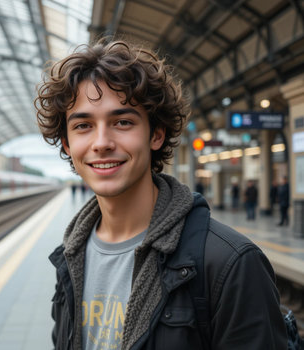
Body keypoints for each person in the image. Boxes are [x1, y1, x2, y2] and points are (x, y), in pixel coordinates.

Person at [35, 39, 286, 349]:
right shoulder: (71, 256)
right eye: (83, 125)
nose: (101, 142)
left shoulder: (229, 263)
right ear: (67, 145)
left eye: (122, 122)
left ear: (156, 134)